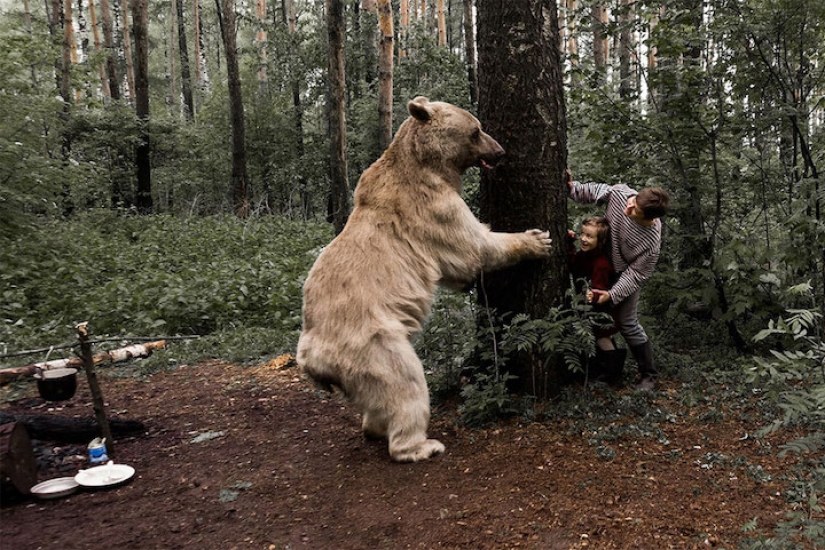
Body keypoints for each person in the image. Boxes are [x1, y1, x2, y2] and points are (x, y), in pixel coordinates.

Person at [567, 170, 670, 390]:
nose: (628, 208)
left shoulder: (651, 241)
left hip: (625, 275)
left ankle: (648, 375)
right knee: (597, 319)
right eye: (632, 202)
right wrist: (571, 187)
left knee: (627, 322)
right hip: (602, 265)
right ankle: (607, 368)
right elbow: (596, 191)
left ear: (649, 218)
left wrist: (613, 294)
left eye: (635, 211)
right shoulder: (622, 195)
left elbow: (637, 274)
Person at [568, 216, 626, 385]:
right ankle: (598, 370)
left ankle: (613, 376)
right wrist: (570, 243)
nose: (584, 239)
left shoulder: (601, 262)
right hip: (589, 308)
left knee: (602, 337)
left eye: (590, 236)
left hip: (602, 309)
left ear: (600, 241)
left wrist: (592, 294)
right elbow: (573, 264)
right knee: (595, 337)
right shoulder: (585, 255)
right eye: (582, 234)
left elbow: (600, 287)